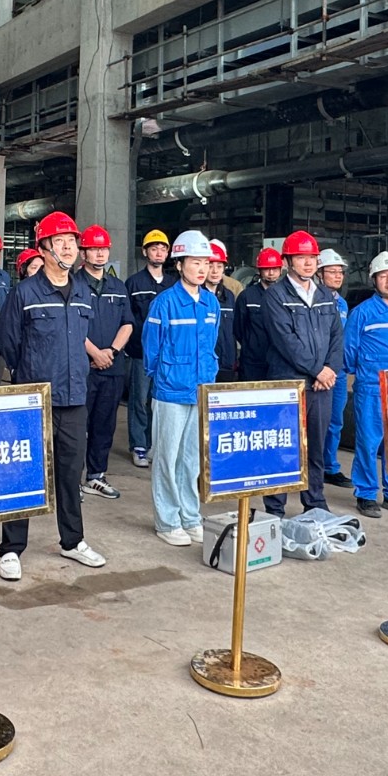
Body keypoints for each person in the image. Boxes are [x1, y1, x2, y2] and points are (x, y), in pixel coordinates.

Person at [0, 211, 106, 580]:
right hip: (35, 399)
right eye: (60, 242)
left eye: (72, 242)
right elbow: (8, 342)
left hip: (74, 399)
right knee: (25, 474)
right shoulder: (25, 292)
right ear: (43, 248)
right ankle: (11, 549)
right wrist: (30, 376)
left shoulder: (83, 292)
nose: (68, 248)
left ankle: (72, 541)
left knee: (71, 473)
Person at [141, 230, 219, 546]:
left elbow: (211, 345)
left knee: (191, 461)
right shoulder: (165, 303)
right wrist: (165, 375)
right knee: (167, 458)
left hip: (200, 389)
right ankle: (167, 521)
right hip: (171, 391)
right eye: (195, 262)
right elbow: (151, 348)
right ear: (180, 263)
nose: (202, 269)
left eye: (205, 263)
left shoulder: (211, 303)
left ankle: (190, 516)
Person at [259, 231, 343, 519]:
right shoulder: (275, 296)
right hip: (288, 384)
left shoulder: (325, 295)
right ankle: (275, 508)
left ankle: (315, 503)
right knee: (283, 446)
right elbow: (285, 341)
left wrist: (329, 369)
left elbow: (337, 336)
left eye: (312, 258)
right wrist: (317, 369)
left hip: (321, 387)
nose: (308, 263)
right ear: (287, 261)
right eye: (301, 257)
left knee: (316, 448)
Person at [344, 251, 388, 519]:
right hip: (371, 388)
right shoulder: (362, 313)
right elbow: (348, 350)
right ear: (374, 280)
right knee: (368, 442)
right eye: (384, 276)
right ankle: (365, 494)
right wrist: (364, 374)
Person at [79, 225, 134, 501]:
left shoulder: (118, 286)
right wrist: (94, 353)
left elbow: (128, 323)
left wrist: (110, 351)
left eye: (103, 249)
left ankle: (96, 476)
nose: (100, 254)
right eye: (94, 249)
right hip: (82, 369)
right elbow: (70, 325)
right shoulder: (73, 285)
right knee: (77, 426)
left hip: (112, 368)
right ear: (83, 253)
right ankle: (71, 480)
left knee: (104, 424)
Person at [124, 229, 171, 469]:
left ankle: (154, 444)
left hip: (166, 356)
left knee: (160, 400)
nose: (158, 252)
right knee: (139, 400)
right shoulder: (134, 283)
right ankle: (139, 446)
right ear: (145, 252)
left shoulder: (174, 284)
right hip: (140, 354)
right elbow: (127, 319)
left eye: (163, 249)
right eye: (154, 248)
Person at [316, 249, 353, 488]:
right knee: (314, 422)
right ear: (320, 274)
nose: (338, 276)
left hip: (337, 372)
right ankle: (312, 466)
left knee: (335, 421)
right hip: (317, 372)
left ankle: (330, 466)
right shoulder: (312, 299)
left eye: (340, 272)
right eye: (332, 271)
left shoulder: (342, 304)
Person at [233, 247, 283, 380]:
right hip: (252, 362)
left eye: (275, 269)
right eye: (266, 269)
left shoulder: (287, 296)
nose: (271, 273)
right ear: (259, 271)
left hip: (280, 362)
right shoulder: (247, 296)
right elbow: (238, 329)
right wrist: (252, 343)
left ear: (280, 270)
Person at [206, 241, 238, 382]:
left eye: (219, 266)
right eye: (210, 266)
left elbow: (236, 330)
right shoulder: (196, 296)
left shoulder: (229, 296)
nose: (215, 271)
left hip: (226, 364)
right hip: (204, 365)